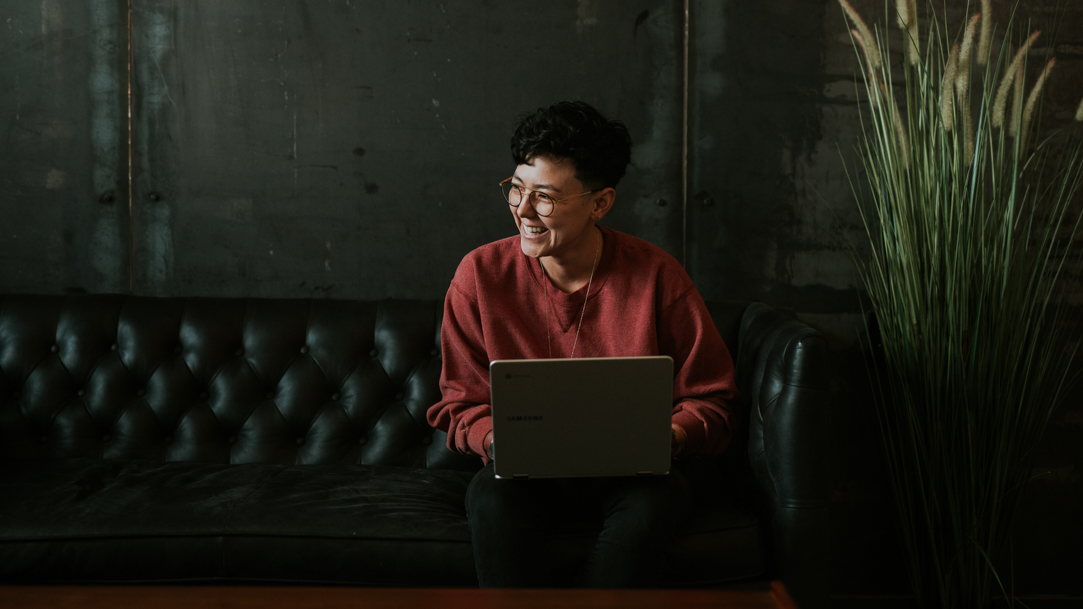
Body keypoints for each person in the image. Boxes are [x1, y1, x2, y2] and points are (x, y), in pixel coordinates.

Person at [426, 101, 738, 588]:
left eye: (545, 197)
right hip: (522, 478)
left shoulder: (656, 276)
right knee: (491, 499)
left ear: (600, 203)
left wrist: (669, 437)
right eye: (516, 189)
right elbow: (459, 402)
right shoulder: (480, 276)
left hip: (634, 477)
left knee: (657, 502)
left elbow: (712, 399)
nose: (524, 210)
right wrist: (495, 439)